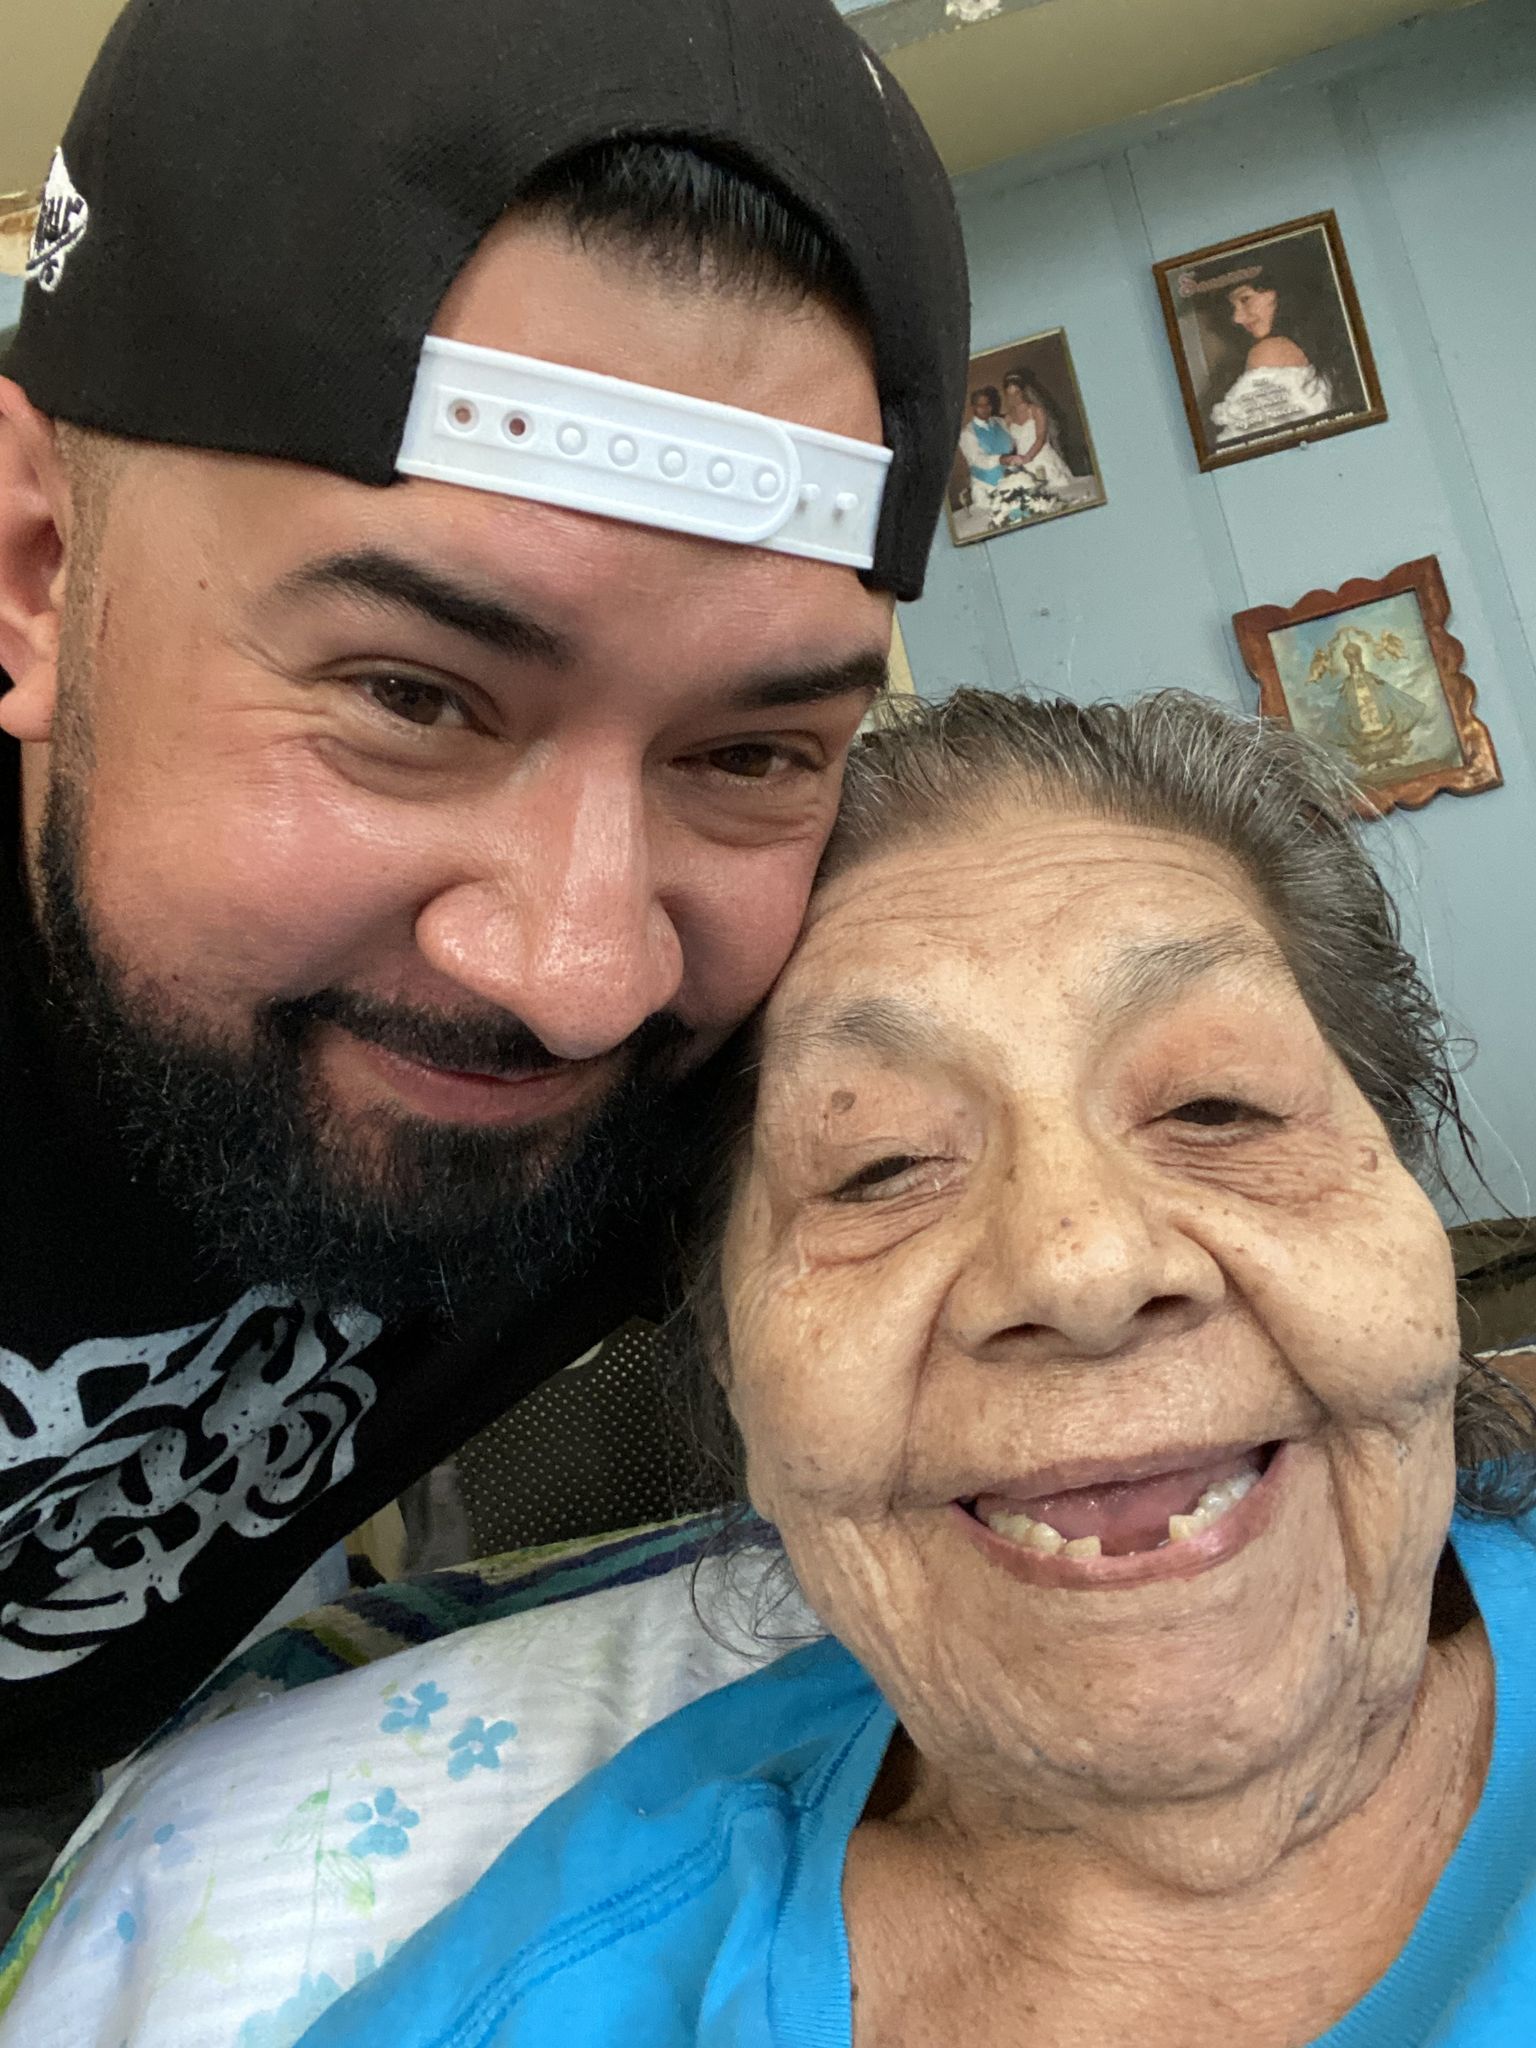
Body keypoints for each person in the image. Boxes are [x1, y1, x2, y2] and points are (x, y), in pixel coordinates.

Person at [34, 688, 1535, 2046]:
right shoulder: (551, 1995)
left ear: (1410, 1228)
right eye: (878, 1166)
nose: (1080, 1266)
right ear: (736, 1374)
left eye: (1219, 1107)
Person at [0, 0, 968, 1882]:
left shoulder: (730, 1025)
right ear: (34, 568)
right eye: (412, 696)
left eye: (750, 753)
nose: (581, 974)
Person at [1206, 246, 1354, 447]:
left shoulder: (1270, 352)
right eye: (1233, 306)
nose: (1237, 318)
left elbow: (1246, 449)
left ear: (1283, 291)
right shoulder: (1331, 348)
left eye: (1245, 299)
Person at [1000, 365, 1078, 491]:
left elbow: (1041, 438)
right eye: (1010, 394)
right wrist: (1006, 457)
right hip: (1022, 463)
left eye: (1017, 393)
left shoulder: (1036, 410)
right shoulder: (1008, 418)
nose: (1014, 398)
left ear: (1023, 391)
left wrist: (1028, 457)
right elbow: (1012, 444)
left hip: (1041, 458)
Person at [956, 386, 1017, 513]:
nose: (985, 409)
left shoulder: (1000, 422)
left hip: (1012, 480)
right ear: (972, 407)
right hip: (986, 489)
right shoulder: (967, 433)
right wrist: (1001, 459)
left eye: (987, 405)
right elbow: (977, 460)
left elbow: (1013, 443)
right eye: (980, 405)